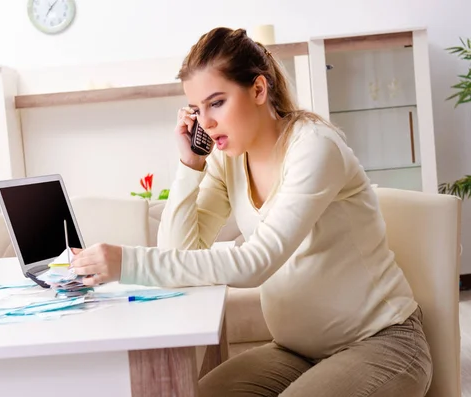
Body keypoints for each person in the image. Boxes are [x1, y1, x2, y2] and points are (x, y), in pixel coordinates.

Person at [70, 27, 433, 396]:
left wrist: (127, 262)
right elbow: (178, 254)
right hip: (297, 352)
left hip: (381, 344)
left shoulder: (313, 148)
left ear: (259, 90)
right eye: (197, 109)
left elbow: (258, 262)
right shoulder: (228, 160)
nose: (206, 123)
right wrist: (190, 163)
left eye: (217, 103)